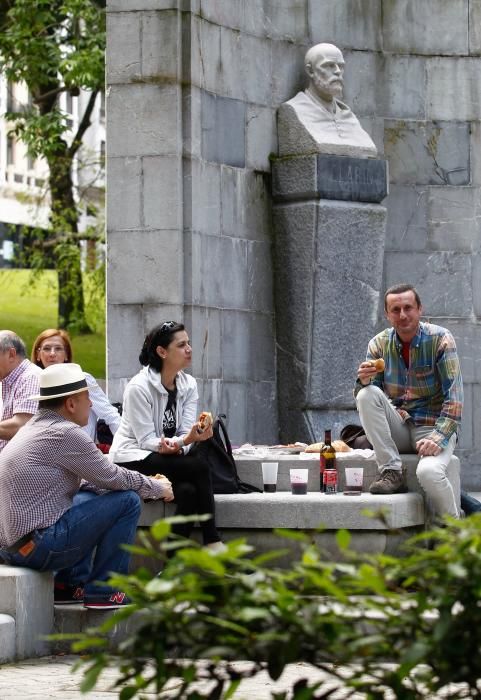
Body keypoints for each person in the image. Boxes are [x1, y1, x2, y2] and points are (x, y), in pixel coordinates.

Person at [0, 363, 173, 609]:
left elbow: (92, 481)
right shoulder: (65, 433)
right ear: (71, 404)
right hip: (37, 548)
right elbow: (113, 477)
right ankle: (106, 591)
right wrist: (157, 488)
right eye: (87, 398)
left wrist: (144, 484)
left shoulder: (34, 428)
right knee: (127, 501)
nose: (91, 405)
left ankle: (69, 585)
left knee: (85, 495)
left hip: (13, 548)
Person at [109, 321, 224, 550]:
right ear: (162, 352)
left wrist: (191, 439)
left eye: (188, 343)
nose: (189, 349)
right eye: (181, 345)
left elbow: (183, 433)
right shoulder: (138, 387)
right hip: (133, 457)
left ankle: (170, 570)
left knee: (188, 493)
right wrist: (185, 442)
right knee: (199, 467)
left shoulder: (188, 384)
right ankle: (212, 540)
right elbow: (146, 441)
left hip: (166, 456)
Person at [355, 283, 463, 519]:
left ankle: (455, 532)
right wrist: (364, 381)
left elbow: (455, 399)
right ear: (387, 314)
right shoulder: (378, 344)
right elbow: (373, 397)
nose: (402, 315)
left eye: (408, 308)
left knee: (430, 474)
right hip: (401, 426)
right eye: (395, 310)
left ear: (419, 309)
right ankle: (391, 470)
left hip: (433, 428)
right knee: (366, 394)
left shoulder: (440, 339)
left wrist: (439, 436)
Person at [278, 42, 377, 157]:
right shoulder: (295, 110)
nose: (338, 71)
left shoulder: (348, 116)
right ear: (310, 71)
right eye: (329, 65)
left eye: (341, 66)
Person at [31, 328, 121, 443]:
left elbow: (110, 415)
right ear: (38, 354)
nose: (52, 353)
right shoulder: (32, 381)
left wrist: (124, 447)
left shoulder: (82, 379)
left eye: (58, 349)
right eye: (47, 349)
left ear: (66, 355)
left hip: (81, 449)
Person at [0, 330, 40, 453]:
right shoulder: (9, 379)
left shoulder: (31, 377)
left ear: (11, 354)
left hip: (21, 468)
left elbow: (22, 426)